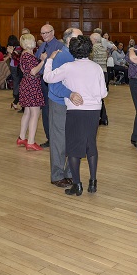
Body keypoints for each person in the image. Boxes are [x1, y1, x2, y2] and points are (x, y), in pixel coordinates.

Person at [44, 35, 107, 196]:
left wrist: (50, 60)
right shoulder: (96, 68)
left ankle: (77, 185)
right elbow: (103, 93)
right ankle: (93, 182)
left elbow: (48, 78)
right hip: (94, 111)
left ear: (72, 50)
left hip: (75, 110)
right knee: (90, 145)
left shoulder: (68, 67)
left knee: (73, 148)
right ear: (89, 50)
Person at [44, 28, 83, 188]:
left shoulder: (76, 56)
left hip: (73, 104)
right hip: (60, 102)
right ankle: (57, 175)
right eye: (78, 37)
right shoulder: (61, 56)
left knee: (72, 138)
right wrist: (70, 93)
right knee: (59, 139)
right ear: (68, 40)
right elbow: (54, 85)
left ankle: (69, 173)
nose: (81, 40)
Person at [17, 33, 47, 151]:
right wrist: (43, 61)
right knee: (35, 113)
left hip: (27, 84)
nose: (35, 42)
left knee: (28, 113)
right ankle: (30, 141)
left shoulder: (25, 54)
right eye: (33, 40)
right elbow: (33, 71)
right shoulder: (27, 56)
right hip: (32, 85)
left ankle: (22, 137)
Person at [36, 24, 64, 148]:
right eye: (42, 33)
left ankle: (56, 138)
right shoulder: (42, 45)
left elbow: (58, 63)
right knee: (45, 111)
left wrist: (45, 59)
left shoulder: (59, 46)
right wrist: (42, 58)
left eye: (46, 33)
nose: (44, 35)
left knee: (54, 111)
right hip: (42, 80)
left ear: (53, 32)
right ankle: (49, 138)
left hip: (53, 81)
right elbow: (37, 58)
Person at [90, 32, 110, 126]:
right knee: (100, 97)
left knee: (96, 98)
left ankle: (100, 118)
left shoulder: (94, 49)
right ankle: (104, 118)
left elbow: (89, 60)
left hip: (97, 74)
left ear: (94, 40)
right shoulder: (103, 48)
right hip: (104, 73)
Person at [7, 33, 24, 110]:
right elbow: (15, 57)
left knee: (17, 82)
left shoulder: (17, 48)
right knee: (18, 83)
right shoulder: (18, 48)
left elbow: (13, 57)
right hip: (17, 67)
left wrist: (11, 52)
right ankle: (16, 100)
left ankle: (15, 100)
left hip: (15, 66)